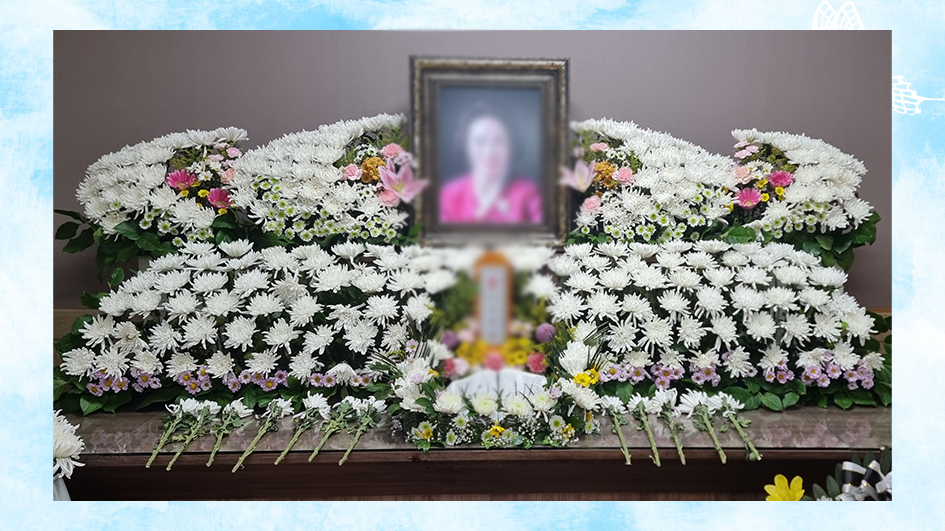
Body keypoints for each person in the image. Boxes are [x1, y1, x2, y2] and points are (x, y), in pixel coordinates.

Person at [439, 102, 542, 224]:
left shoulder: (529, 193)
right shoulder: (449, 194)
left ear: (512, 145)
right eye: (480, 141)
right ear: (466, 145)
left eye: (498, 141)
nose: (489, 152)